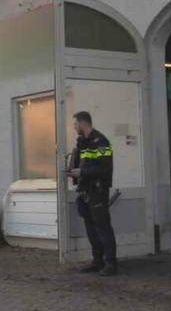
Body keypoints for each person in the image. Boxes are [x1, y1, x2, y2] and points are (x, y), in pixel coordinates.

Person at [66, 111, 117, 277]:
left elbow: (105, 169)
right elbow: (84, 163)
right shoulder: (83, 142)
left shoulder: (101, 141)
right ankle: (97, 261)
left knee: (102, 227)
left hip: (98, 190)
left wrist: (82, 172)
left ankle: (111, 263)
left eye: (75, 124)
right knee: (91, 228)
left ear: (83, 123)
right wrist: (73, 171)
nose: (74, 127)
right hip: (86, 190)